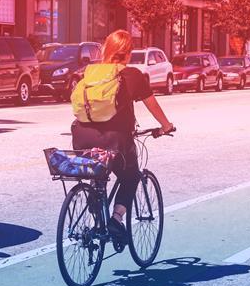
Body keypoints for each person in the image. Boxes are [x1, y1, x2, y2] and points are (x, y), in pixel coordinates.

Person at [71, 29, 175, 242]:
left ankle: (95, 209)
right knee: (131, 176)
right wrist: (166, 126)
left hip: (82, 138)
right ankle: (116, 219)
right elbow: (152, 105)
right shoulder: (132, 75)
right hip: (115, 142)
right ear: (128, 52)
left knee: (96, 173)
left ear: (107, 50)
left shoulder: (88, 73)